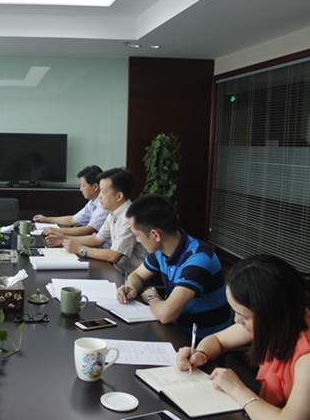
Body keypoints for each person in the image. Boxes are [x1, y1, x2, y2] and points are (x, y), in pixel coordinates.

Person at [176, 255, 310, 419]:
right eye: (235, 312)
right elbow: (217, 340)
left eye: (243, 316)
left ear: (270, 314)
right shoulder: (276, 323)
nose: (236, 320)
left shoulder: (306, 357)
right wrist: (200, 353)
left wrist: (236, 389)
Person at [116, 193, 232, 337]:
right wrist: (132, 287)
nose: (137, 240)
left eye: (137, 235)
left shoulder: (199, 259)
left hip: (202, 341)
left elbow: (166, 315)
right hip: (176, 330)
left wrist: (151, 297)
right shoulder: (161, 251)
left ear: (155, 235)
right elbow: (137, 275)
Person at [46, 167, 146, 275]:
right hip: (117, 270)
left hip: (133, 276)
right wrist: (63, 238)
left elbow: (113, 256)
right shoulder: (114, 212)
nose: (99, 196)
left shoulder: (129, 217)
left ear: (119, 196)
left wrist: (80, 249)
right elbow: (97, 240)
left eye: (103, 192)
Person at [33, 165, 108, 237]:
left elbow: (88, 230)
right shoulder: (92, 203)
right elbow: (72, 220)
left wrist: (56, 231)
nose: (81, 189)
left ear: (95, 187)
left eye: (83, 185)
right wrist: (46, 219)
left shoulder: (103, 205)